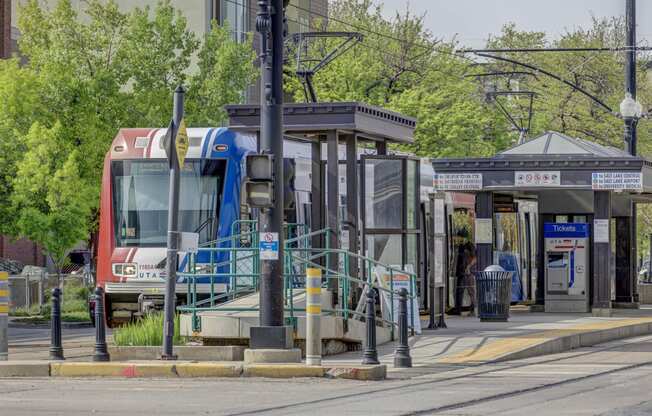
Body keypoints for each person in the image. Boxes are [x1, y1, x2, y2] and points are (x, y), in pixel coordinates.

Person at [450, 228, 477, 315]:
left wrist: (468, 266)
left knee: (471, 291)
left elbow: (474, 258)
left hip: (468, 273)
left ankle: (473, 310)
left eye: (460, 237)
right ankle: (458, 309)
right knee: (459, 291)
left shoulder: (470, 246)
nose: (459, 239)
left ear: (465, 237)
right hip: (461, 272)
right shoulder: (460, 246)